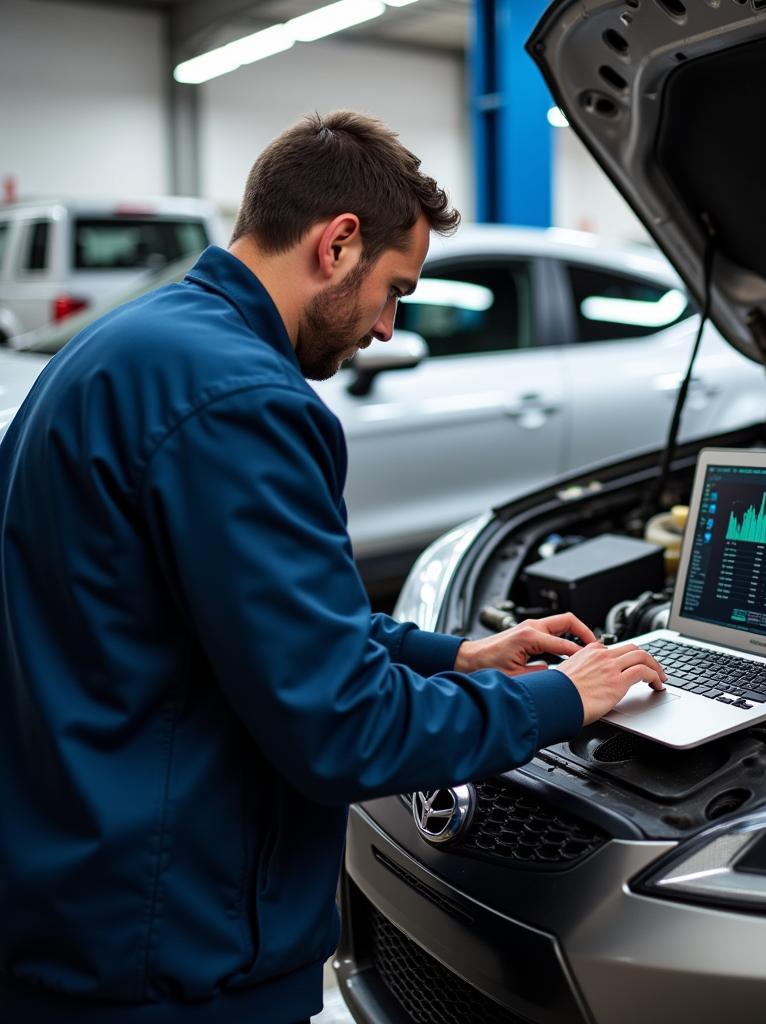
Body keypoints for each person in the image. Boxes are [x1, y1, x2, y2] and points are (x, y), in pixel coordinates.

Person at [0, 110, 665, 1024]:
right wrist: (561, 699)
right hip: (168, 944)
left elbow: (244, 619)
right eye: (395, 290)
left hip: (73, 884)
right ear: (338, 243)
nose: (389, 328)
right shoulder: (243, 403)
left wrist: (456, 657)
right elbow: (344, 728)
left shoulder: (127, 347)